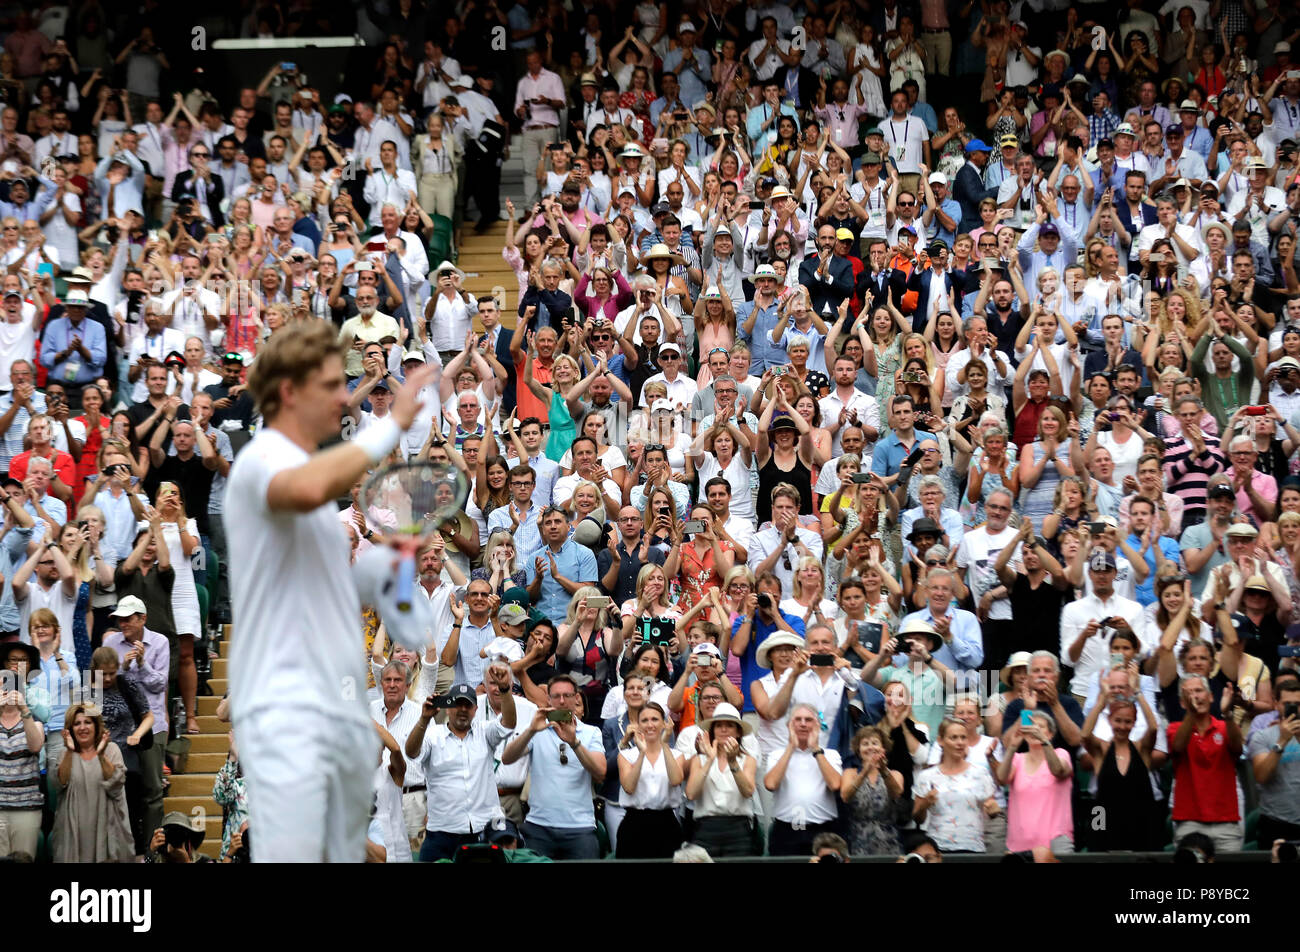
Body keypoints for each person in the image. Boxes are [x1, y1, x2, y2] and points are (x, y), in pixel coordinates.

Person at [225, 321, 435, 862]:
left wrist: (397, 564)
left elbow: (345, 591)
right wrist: (392, 427)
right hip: (284, 704)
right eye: (331, 384)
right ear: (290, 392)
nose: (346, 395)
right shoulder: (262, 460)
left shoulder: (313, 491)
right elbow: (312, 484)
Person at [404, 667, 516, 862]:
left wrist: (505, 690)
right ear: (448, 708)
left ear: (475, 709)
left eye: (468, 705)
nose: (462, 710)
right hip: (442, 831)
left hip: (482, 828)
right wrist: (424, 719)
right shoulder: (432, 735)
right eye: (457, 704)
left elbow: (509, 723)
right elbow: (411, 752)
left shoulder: (484, 732)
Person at [501, 674, 606, 859]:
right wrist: (531, 730)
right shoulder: (537, 729)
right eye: (556, 696)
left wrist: (574, 742)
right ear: (548, 699)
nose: (562, 701)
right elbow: (507, 758)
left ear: (576, 698)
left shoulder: (590, 732)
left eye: (567, 695)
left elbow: (600, 772)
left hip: (579, 827)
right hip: (539, 826)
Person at [1169, 674, 1244, 853]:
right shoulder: (1175, 728)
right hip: (1189, 821)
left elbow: (1237, 748)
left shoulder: (1226, 727)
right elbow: (1178, 746)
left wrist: (1227, 714)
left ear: (1211, 696)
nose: (1195, 696)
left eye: (1199, 690)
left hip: (1226, 821)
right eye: (1189, 692)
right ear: (1182, 702)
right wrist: (1191, 714)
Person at [51, 701, 133, 863]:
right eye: (77, 724)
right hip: (74, 830)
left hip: (106, 825)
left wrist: (101, 755)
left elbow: (116, 785)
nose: (82, 727)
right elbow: (59, 783)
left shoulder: (112, 750)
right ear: (70, 729)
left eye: (87, 722)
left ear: (96, 725)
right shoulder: (64, 754)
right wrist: (69, 750)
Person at [763, 702, 843, 856]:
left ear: (817, 725)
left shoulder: (831, 755)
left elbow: (835, 784)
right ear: (789, 726)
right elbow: (771, 784)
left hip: (823, 831)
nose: (803, 724)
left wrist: (816, 749)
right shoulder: (777, 755)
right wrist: (791, 747)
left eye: (808, 720)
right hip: (786, 830)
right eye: (798, 720)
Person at [684, 701, 760, 857]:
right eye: (719, 726)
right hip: (706, 828)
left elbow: (747, 791)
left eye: (729, 725)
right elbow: (691, 794)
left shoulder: (748, 760)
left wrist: (732, 762)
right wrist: (710, 759)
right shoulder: (700, 760)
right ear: (713, 731)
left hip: (738, 828)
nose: (724, 730)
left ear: (738, 732)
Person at [913, 716, 998, 853]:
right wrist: (925, 804)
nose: (960, 742)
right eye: (954, 738)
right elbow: (917, 818)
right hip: (938, 848)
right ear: (941, 741)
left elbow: (991, 807)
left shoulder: (980, 773)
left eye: (963, 738)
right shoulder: (927, 776)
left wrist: (993, 809)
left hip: (972, 847)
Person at [997, 708, 1075, 854]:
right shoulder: (1018, 759)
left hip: (1054, 843)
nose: (1035, 730)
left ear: (1050, 734)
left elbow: (1058, 770)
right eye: (1032, 726)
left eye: (1040, 726)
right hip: (1019, 845)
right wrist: (1012, 747)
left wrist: (1044, 742)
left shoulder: (1061, 754)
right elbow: (1001, 779)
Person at [615, 700, 684, 858]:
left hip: (666, 823)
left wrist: (665, 744)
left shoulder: (676, 754)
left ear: (664, 723)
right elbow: (629, 787)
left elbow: (676, 780)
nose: (650, 724)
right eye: (644, 720)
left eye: (655, 719)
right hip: (634, 823)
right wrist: (642, 753)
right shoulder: (626, 755)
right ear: (638, 725)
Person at [1248, 675, 1300, 845]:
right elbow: (1261, 776)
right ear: (1276, 704)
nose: (1293, 708)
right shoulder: (1262, 736)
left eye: (1298, 704)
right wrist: (1282, 741)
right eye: (1287, 704)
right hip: (1276, 822)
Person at [840, 725, 905, 856]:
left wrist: (882, 769)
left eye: (875, 743)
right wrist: (864, 772)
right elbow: (845, 796)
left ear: (883, 748)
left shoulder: (895, 774)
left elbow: (896, 793)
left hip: (889, 841)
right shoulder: (850, 773)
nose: (870, 747)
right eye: (865, 744)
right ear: (858, 750)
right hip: (858, 840)